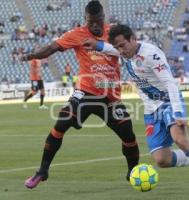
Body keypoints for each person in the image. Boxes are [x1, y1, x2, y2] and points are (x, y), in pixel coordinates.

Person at [83, 24, 189, 198]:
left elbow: (170, 83)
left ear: (133, 39)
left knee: (181, 139)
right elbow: (112, 48)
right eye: (118, 47)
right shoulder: (125, 52)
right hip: (151, 109)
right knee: (162, 160)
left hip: (169, 102)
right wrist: (97, 45)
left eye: (122, 45)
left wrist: (178, 113)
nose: (120, 50)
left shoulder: (151, 54)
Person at [20, 0, 139, 189]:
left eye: (97, 21)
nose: (94, 26)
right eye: (90, 22)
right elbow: (51, 48)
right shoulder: (76, 34)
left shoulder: (114, 34)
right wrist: (31, 56)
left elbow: (132, 49)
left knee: (128, 135)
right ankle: (42, 171)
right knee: (61, 123)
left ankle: (134, 173)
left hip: (110, 96)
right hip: (85, 92)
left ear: (103, 18)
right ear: (86, 19)